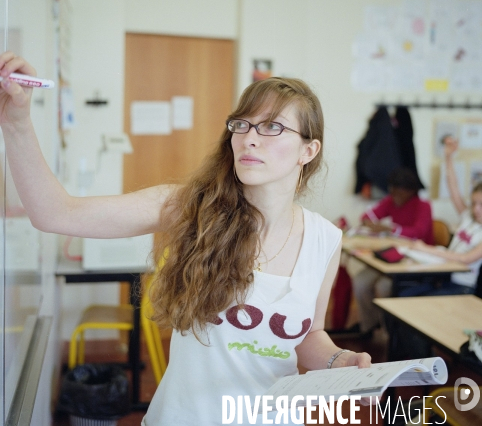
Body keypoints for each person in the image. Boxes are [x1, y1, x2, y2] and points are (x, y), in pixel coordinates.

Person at [0, 52, 371, 426]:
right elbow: (53, 213)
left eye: (272, 126)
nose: (249, 138)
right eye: (242, 125)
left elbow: (310, 334)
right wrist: (16, 122)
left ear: (309, 150)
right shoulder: (190, 208)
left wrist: (339, 359)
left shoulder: (325, 239)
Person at [347, 167, 433, 337]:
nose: (394, 195)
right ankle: (369, 325)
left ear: (410, 191)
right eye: (391, 191)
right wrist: (370, 222)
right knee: (361, 281)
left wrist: (391, 229)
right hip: (391, 256)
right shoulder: (391, 200)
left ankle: (390, 334)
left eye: (398, 191)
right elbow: (367, 216)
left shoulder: (423, 206)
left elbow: (418, 232)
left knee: (385, 286)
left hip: (414, 260)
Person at [401, 136, 482, 296]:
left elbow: (465, 259)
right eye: (473, 203)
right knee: (405, 294)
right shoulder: (468, 216)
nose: (476, 209)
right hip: (442, 276)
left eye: (481, 205)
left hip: (461, 286)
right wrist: (448, 157)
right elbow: (453, 186)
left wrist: (426, 249)